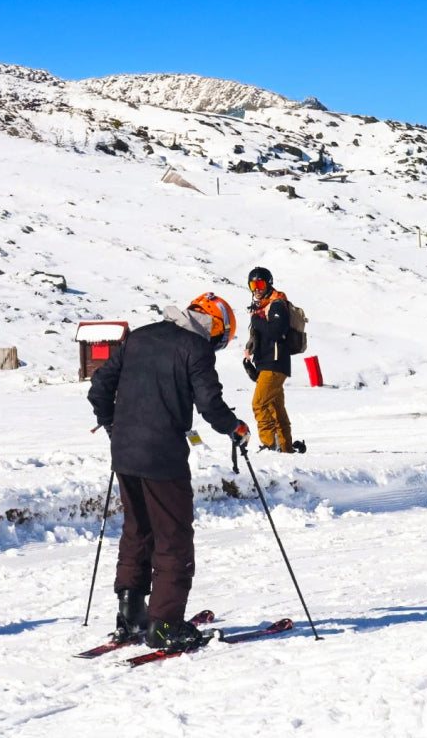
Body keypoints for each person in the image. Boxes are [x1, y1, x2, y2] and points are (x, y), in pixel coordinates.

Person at [88, 292, 250, 652]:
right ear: (217, 330)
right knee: (173, 537)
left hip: (125, 453)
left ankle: (131, 616)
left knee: (137, 530)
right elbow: (210, 404)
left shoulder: (140, 335)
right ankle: (164, 625)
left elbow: (100, 386)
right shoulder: (196, 348)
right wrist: (235, 427)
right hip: (162, 457)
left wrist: (111, 424)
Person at [244, 267, 302, 453]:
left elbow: (277, 331)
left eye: (260, 284)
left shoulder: (277, 304)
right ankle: (285, 449)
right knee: (276, 408)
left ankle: (270, 445)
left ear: (268, 284)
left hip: (275, 363)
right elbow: (264, 338)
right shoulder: (262, 308)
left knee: (259, 404)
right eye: (253, 285)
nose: (257, 289)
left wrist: (258, 320)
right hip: (269, 364)